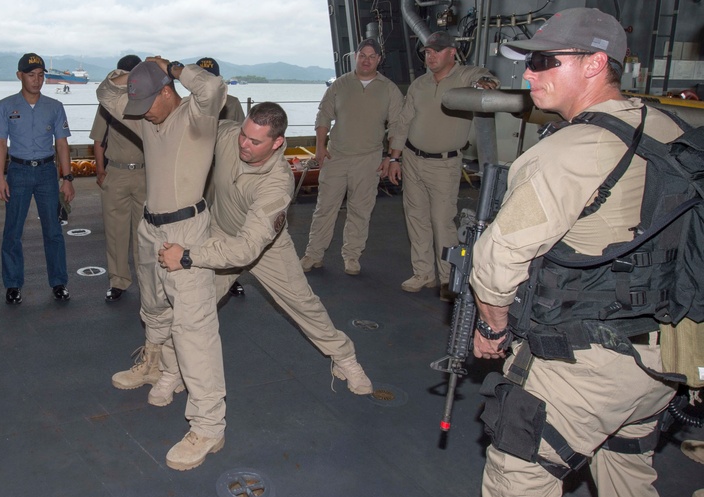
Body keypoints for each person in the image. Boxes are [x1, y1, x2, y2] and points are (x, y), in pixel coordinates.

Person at [469, 8, 680, 497]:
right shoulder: (672, 131)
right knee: (629, 473)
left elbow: (496, 259)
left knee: (519, 479)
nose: (528, 74)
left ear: (595, 64)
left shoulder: (569, 151)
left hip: (584, 365)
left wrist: (491, 326)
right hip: (661, 361)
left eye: (544, 61)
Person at [157, 102, 373, 395]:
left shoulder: (277, 185)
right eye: (243, 135)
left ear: (277, 143)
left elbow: (247, 249)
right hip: (219, 234)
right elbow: (193, 123)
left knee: (303, 304)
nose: (244, 144)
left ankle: (344, 357)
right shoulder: (229, 135)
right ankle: (172, 369)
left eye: (255, 142)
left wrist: (186, 256)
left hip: (264, 248)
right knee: (188, 304)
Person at [98, 57, 227, 471]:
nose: (142, 114)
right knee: (154, 307)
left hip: (186, 230)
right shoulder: (144, 117)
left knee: (194, 329)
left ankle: (209, 425)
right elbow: (106, 93)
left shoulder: (197, 117)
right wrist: (135, 73)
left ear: (168, 92)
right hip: (151, 227)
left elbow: (213, 88)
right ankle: (162, 369)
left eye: (149, 104)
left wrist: (171, 67)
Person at [389, 32, 498, 301]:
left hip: (444, 164)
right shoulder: (419, 84)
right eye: (427, 52)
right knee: (416, 219)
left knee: (442, 222)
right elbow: (403, 122)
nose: (430, 56)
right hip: (412, 159)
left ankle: (449, 279)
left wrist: (485, 82)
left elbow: (485, 77)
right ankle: (423, 273)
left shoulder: (464, 77)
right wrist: (393, 158)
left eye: (436, 51)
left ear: (452, 52)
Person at [299, 38, 406, 276]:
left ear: (379, 59)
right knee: (325, 208)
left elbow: (398, 126)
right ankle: (313, 254)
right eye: (362, 55)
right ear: (355, 57)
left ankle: (352, 256)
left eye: (372, 56)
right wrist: (320, 147)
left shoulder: (389, 89)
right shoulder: (340, 84)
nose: (366, 60)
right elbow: (323, 115)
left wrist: (392, 157)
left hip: (368, 159)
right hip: (336, 156)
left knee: (360, 210)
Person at [0, 53, 75, 304]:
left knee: (53, 230)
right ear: (20, 76)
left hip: (47, 172)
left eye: (40, 75)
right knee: (12, 231)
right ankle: (13, 284)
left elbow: (62, 144)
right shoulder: (5, 105)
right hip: (18, 172)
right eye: (31, 75)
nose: (37, 80)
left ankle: (59, 282)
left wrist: (67, 178)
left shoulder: (55, 106)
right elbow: (0, 143)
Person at [90, 54, 145, 303]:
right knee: (115, 232)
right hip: (117, 172)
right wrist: (101, 172)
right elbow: (98, 140)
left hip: (145, 174)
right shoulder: (109, 104)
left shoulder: (147, 101)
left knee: (145, 233)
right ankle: (118, 281)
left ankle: (147, 281)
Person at [196, 56, 246, 297]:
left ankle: (227, 273)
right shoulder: (186, 105)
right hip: (195, 172)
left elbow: (243, 139)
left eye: (211, 77)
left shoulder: (232, 104)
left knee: (225, 223)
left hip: (223, 170)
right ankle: (198, 269)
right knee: (196, 222)